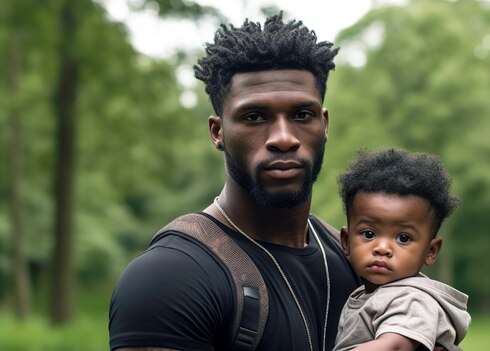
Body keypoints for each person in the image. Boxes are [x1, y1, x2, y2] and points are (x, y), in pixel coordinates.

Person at [108, 13, 361, 351]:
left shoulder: (360, 258)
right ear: (218, 132)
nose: (283, 138)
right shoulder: (168, 278)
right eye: (254, 117)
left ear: (324, 123)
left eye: (302, 115)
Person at [333, 148, 471, 351]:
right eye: (369, 234)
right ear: (346, 241)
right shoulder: (366, 295)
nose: (382, 248)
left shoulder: (412, 298)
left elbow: (394, 346)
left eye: (403, 238)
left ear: (431, 251)